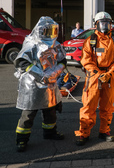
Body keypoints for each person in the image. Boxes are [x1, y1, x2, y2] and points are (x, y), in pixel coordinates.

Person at [14, 16, 67, 152]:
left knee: (50, 112)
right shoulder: (32, 43)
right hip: (33, 85)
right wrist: (40, 74)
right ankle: (21, 140)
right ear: (40, 30)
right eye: (48, 31)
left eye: (53, 31)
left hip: (49, 84)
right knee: (28, 115)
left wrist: (55, 72)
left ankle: (50, 133)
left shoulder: (55, 44)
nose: (51, 34)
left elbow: (63, 61)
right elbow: (21, 61)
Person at [75, 11, 114, 146]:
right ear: (96, 24)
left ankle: (104, 131)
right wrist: (98, 73)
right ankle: (84, 133)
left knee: (107, 106)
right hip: (94, 78)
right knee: (89, 105)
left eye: (107, 23)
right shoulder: (90, 41)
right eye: (102, 23)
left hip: (110, 77)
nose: (105, 26)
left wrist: (109, 72)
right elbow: (86, 60)